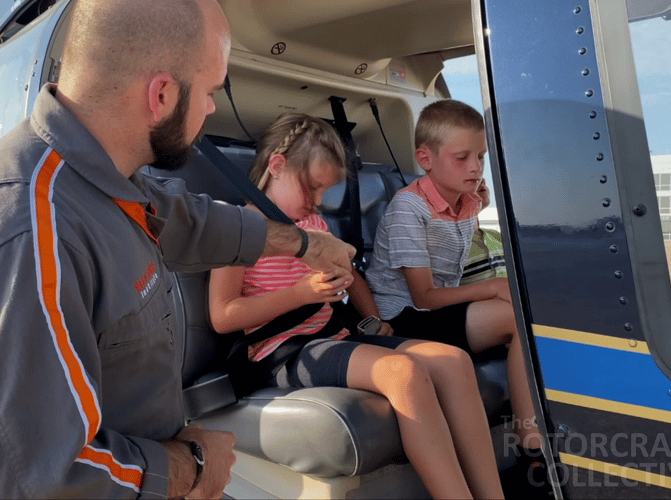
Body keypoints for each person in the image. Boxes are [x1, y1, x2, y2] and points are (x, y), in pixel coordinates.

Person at [0, 0, 355, 499]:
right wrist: (193, 463)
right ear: (161, 95)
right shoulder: (18, 235)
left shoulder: (104, 179)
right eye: (210, 91)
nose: (212, 107)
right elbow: (36, 482)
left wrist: (304, 245)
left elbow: (189, 222)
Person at [209, 113, 505, 499]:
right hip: (282, 350)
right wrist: (300, 294)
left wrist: (372, 318)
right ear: (277, 167)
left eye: (322, 194)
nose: (316, 203)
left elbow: (353, 276)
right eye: (312, 188)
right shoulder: (239, 229)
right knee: (403, 373)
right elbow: (222, 315)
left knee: (454, 362)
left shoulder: (313, 226)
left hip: (335, 335)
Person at [365, 100, 545, 477]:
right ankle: (532, 447)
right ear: (425, 159)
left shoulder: (467, 202)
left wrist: (476, 203)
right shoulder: (407, 210)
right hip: (406, 317)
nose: (476, 167)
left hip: (438, 312)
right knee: (515, 317)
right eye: (462, 157)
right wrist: (492, 288)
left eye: (480, 156)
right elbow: (423, 297)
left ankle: (537, 437)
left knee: (532, 312)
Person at [460, 179, 507, 285]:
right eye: (471, 181)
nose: (482, 182)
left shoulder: (499, 236)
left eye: (483, 181)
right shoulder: (449, 245)